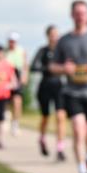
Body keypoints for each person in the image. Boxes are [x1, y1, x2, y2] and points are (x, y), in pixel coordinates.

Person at [50, 0, 87, 173]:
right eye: (77, 13)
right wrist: (64, 68)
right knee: (77, 129)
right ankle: (82, 170)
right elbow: (52, 66)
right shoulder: (64, 40)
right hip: (73, 92)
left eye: (83, 13)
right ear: (71, 15)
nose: (80, 16)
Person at [31, 25, 68, 161]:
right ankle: (42, 138)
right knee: (45, 116)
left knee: (60, 116)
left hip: (59, 86)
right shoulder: (43, 50)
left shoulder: (63, 52)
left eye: (56, 34)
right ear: (47, 36)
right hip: (45, 86)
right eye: (52, 34)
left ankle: (60, 148)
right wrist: (49, 68)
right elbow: (34, 66)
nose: (54, 37)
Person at [5, 32, 28, 136]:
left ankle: (15, 124)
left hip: (17, 75)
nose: (12, 43)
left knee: (17, 101)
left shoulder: (21, 51)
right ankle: (5, 119)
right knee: (5, 100)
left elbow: (25, 65)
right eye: (10, 41)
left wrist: (24, 76)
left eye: (13, 41)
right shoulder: (5, 52)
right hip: (6, 76)